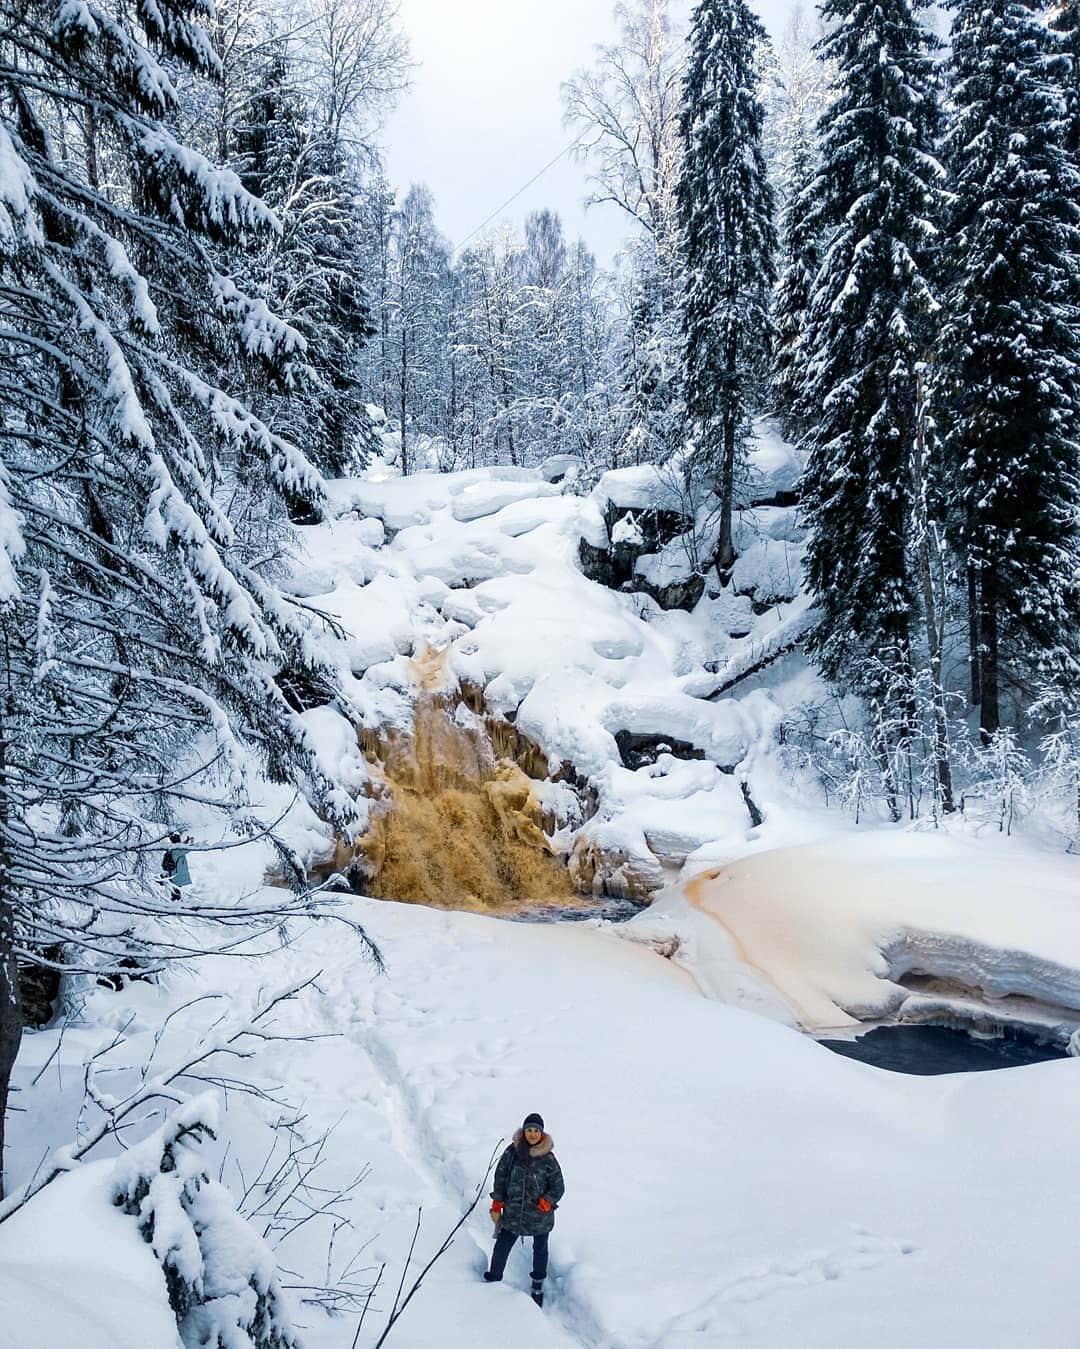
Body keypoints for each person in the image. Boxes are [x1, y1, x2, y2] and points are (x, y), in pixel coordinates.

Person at [484, 1112, 564, 1307]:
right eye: (529, 1130)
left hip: (540, 1217)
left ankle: (537, 1286)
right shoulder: (512, 1153)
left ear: (542, 1133)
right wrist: (497, 1204)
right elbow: (500, 1179)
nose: (533, 1134)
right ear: (524, 1131)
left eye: (536, 1130)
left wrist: (547, 1201)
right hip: (513, 1214)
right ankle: (493, 1279)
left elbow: (558, 1186)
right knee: (502, 1245)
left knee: (540, 1250)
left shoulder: (548, 1158)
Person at [162, 832, 193, 900]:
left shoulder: (172, 848)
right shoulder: (177, 851)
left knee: (176, 888)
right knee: (176, 889)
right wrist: (192, 842)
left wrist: (186, 841)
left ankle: (175, 900)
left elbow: (181, 846)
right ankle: (175, 902)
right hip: (176, 874)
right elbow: (188, 849)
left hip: (173, 872)